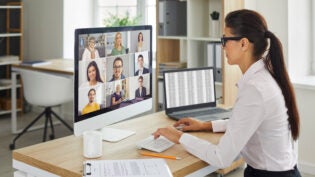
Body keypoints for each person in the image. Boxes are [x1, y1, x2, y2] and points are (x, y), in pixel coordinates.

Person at [153, 9, 301, 177]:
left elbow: (221, 158)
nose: (222, 47)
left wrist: (178, 136)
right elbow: (245, 122)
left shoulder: (256, 89)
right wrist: (206, 126)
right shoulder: (264, 76)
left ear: (244, 44)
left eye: (225, 39)